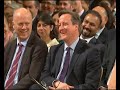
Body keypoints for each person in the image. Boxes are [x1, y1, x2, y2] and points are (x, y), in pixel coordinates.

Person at [30, 10, 102, 90]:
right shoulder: (54, 49)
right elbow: (44, 75)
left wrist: (66, 89)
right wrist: (56, 83)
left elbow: (91, 85)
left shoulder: (91, 52)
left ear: (76, 26)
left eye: (65, 24)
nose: (61, 28)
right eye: (59, 25)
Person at [4, 8, 48, 89]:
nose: (24, 27)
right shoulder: (10, 45)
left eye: (27, 24)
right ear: (13, 25)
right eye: (20, 24)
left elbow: (32, 77)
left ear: (31, 24)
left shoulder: (39, 46)